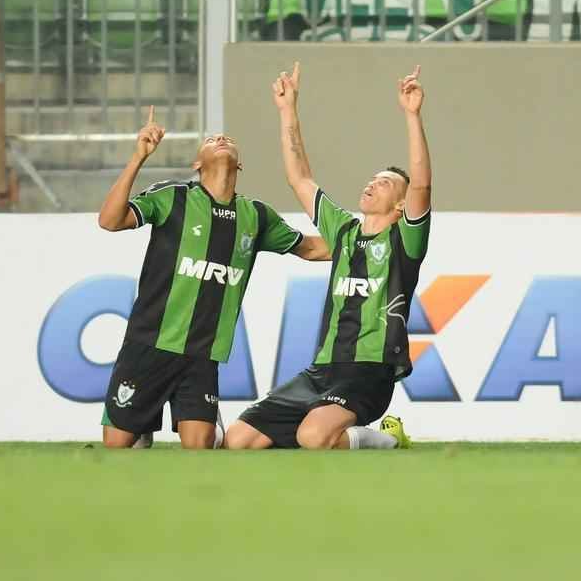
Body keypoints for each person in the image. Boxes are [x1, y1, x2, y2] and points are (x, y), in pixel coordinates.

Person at [96, 106, 332, 449]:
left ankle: (204, 423)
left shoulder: (256, 216)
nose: (220, 139)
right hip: (149, 343)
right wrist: (138, 158)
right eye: (211, 139)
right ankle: (142, 426)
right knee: (117, 447)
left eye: (227, 139)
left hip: (202, 355)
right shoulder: (173, 197)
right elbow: (110, 220)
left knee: (201, 447)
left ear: (240, 165)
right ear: (196, 164)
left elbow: (310, 249)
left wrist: (369, 241)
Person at [224, 63, 430, 451]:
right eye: (372, 179)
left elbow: (422, 182)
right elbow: (300, 178)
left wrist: (412, 116)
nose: (372, 183)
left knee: (314, 437)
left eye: (384, 183)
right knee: (239, 439)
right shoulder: (343, 230)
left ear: (402, 205)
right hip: (322, 370)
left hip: (370, 372)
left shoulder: (406, 241)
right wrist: (288, 110)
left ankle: (387, 437)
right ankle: (323, 430)